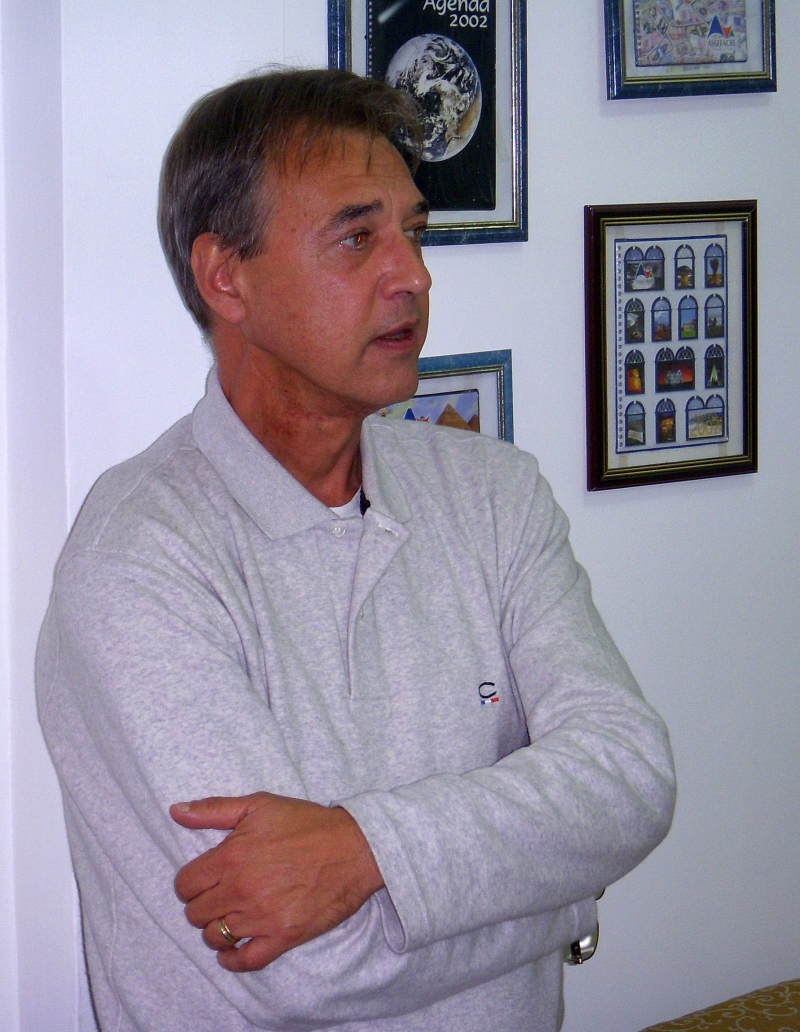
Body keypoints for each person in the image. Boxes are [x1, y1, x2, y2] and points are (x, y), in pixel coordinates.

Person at [36, 69, 675, 1032]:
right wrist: (566, 898)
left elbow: (630, 775)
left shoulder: (493, 495)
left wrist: (365, 849)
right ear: (226, 277)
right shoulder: (137, 558)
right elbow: (307, 968)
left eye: (414, 232)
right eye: (357, 236)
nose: (414, 275)